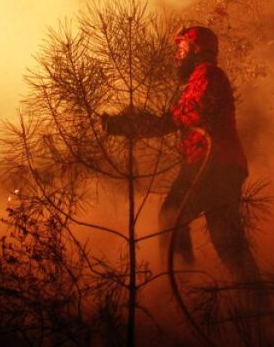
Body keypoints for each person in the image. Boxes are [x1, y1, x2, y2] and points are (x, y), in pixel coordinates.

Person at [102, 26, 259, 282]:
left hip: (211, 161)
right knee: (226, 239)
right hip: (223, 164)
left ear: (197, 50)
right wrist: (129, 127)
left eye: (182, 48)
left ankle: (183, 286)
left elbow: (189, 115)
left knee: (172, 214)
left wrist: (145, 123)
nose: (177, 55)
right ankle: (255, 301)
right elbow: (176, 120)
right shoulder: (198, 78)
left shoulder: (208, 73)